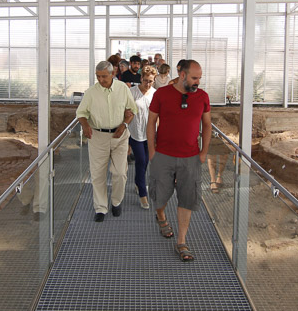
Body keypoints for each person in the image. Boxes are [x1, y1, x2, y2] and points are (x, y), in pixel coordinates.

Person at [146, 60, 211, 261]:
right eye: (194, 78)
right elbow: (151, 122)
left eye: (199, 78)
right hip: (163, 155)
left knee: (187, 198)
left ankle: (181, 241)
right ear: (182, 75)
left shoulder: (202, 97)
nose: (197, 82)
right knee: (159, 196)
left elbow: (207, 125)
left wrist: (203, 152)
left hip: (191, 158)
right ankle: (161, 216)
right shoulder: (161, 94)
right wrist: (152, 151)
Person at [76, 61, 137, 222]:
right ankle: (100, 208)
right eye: (98, 76)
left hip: (120, 136)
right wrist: (85, 125)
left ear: (112, 74)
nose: (100, 80)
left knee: (120, 173)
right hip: (97, 137)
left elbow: (132, 110)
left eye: (104, 76)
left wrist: (124, 125)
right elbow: (81, 113)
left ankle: (116, 202)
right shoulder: (91, 92)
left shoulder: (123, 88)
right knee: (97, 174)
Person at [128, 66, 157, 209]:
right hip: (135, 133)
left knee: (145, 161)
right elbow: (126, 111)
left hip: (150, 134)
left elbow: (158, 114)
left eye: (150, 81)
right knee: (141, 160)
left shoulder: (155, 94)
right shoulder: (132, 92)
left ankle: (138, 183)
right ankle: (142, 194)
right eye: (145, 80)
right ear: (141, 78)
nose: (148, 84)